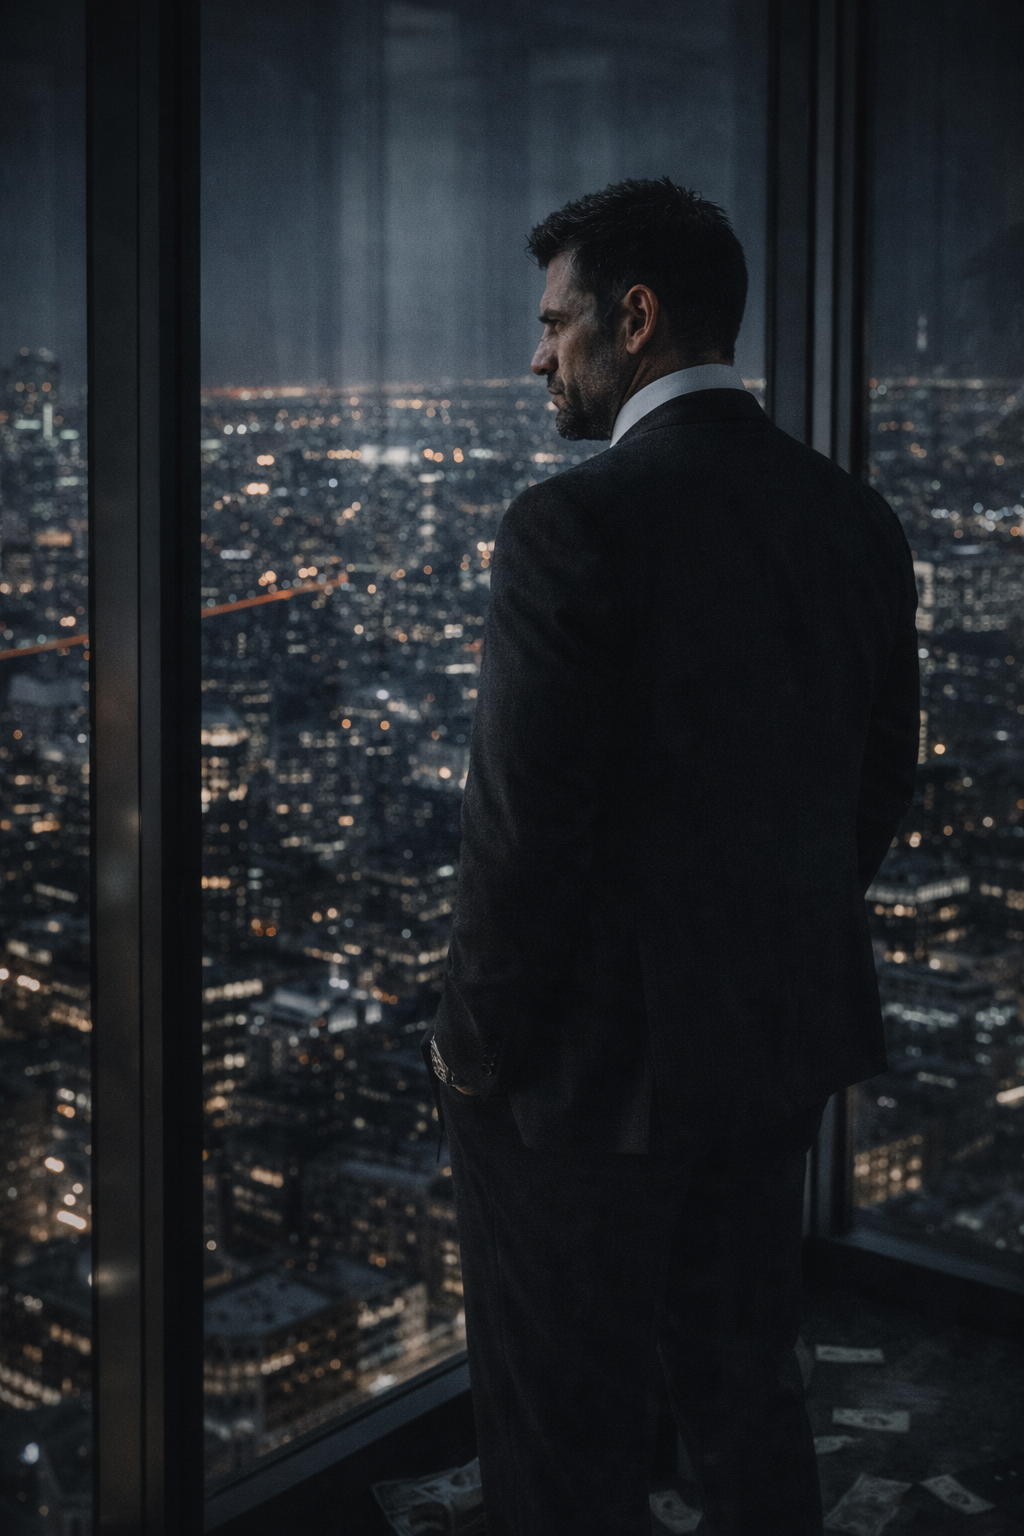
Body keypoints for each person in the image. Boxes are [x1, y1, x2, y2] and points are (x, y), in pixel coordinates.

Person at [419, 177, 920, 1536]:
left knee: (558, 1432)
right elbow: (878, 781)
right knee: (743, 1387)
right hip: (771, 1039)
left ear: (631, 320)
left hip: (587, 1081)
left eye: (554, 321)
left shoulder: (571, 526)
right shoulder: (853, 520)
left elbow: (519, 840)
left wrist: (468, 1047)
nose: (537, 356)